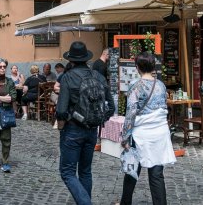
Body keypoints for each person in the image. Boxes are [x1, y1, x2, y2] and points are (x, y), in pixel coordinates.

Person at [56, 41, 115, 205]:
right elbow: (112, 107)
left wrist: (64, 122)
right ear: (87, 59)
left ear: (71, 60)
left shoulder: (68, 77)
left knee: (67, 172)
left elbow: (61, 110)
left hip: (73, 129)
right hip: (92, 130)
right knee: (85, 171)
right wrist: (99, 119)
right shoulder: (98, 76)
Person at [120, 52, 176, 205]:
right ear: (153, 67)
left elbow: (130, 114)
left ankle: (125, 202)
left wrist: (124, 137)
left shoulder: (136, 87)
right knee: (157, 174)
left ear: (137, 67)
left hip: (141, 134)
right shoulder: (161, 85)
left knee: (132, 170)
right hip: (160, 132)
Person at [0, 58, 17, 172]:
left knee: (6, 139)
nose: (2, 69)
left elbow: (13, 97)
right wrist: (4, 98)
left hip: (6, 112)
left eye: (4, 67)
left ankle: (5, 162)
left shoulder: (9, 81)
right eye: (0, 67)